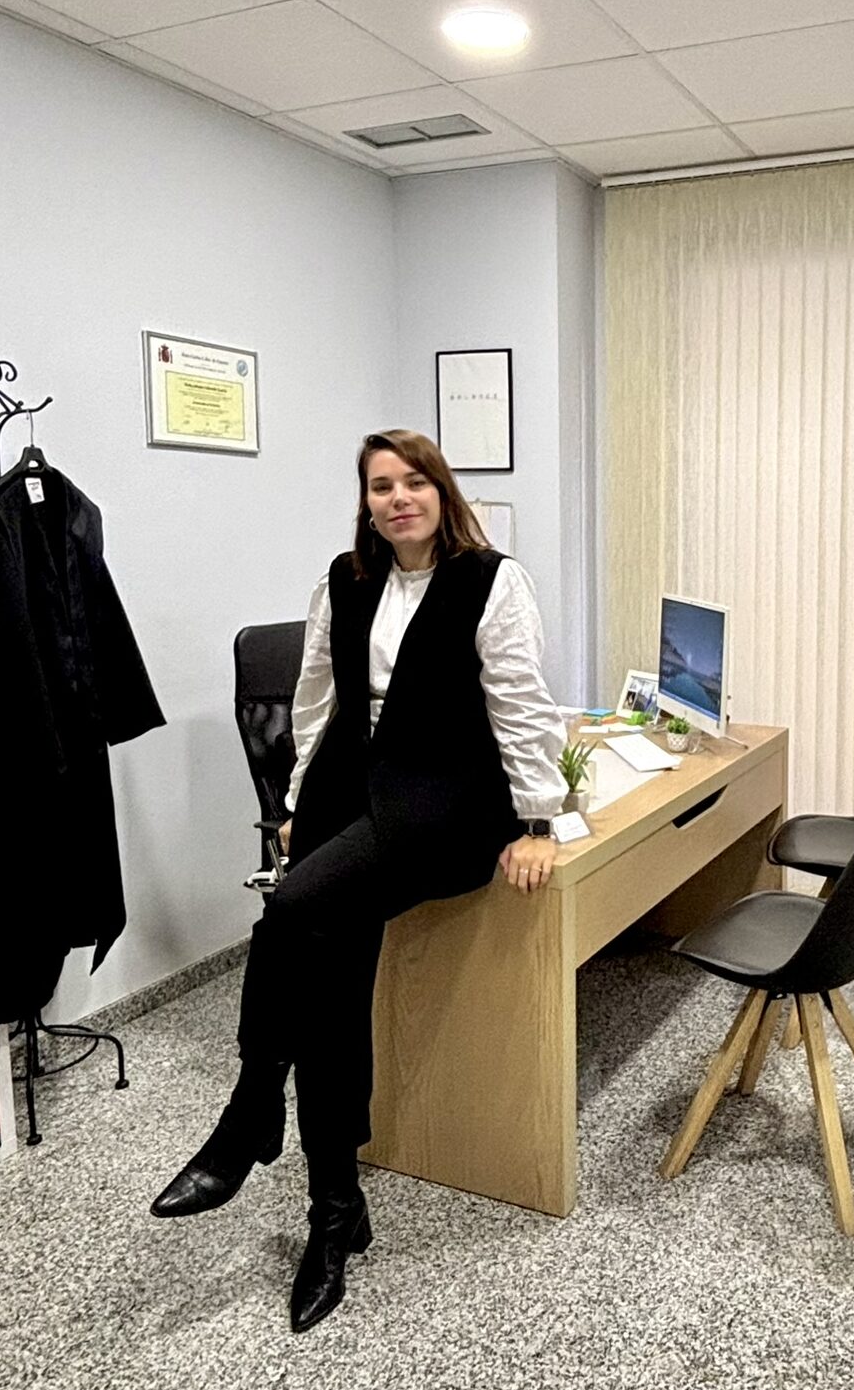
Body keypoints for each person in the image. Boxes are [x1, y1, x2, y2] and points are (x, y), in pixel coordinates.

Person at [150, 430, 568, 1332]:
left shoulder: (491, 581)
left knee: (290, 909)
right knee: (329, 993)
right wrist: (296, 802)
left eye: (413, 481)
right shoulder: (343, 581)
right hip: (350, 793)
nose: (397, 498)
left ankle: (250, 1110)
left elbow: (521, 702)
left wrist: (537, 820)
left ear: (441, 492)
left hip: (446, 802)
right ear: (366, 503)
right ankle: (334, 1212)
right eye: (381, 486)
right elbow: (314, 702)